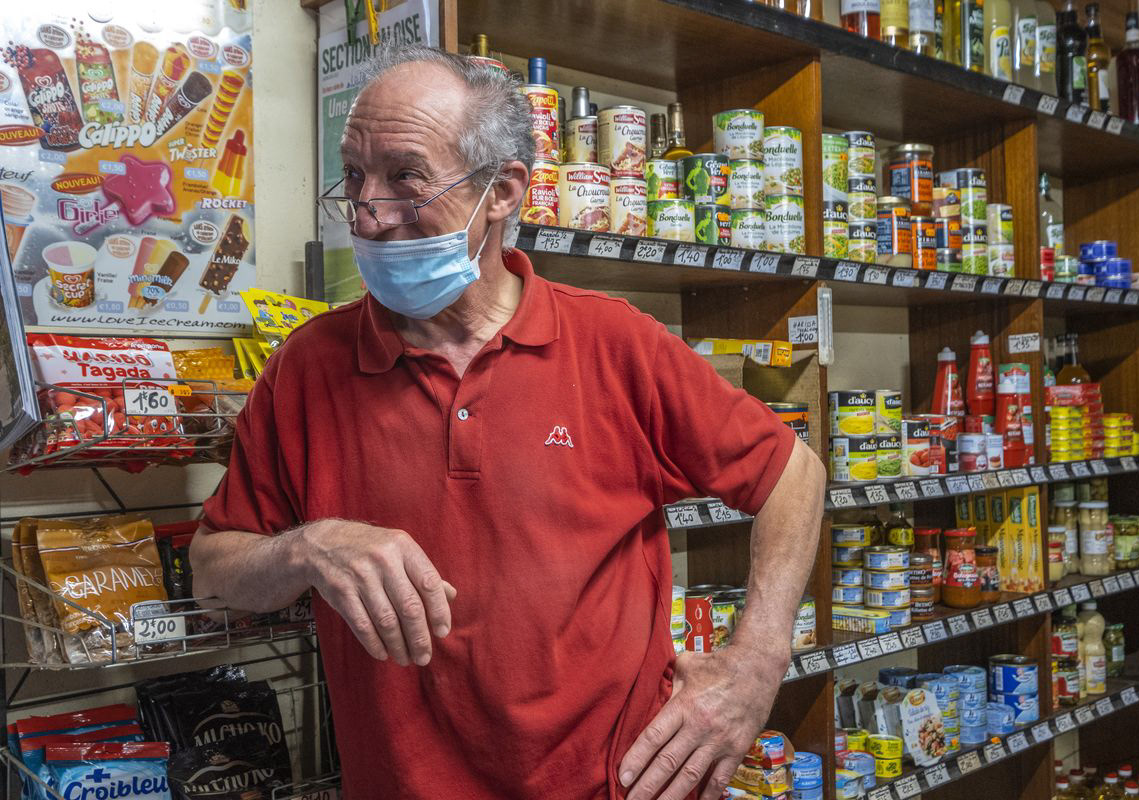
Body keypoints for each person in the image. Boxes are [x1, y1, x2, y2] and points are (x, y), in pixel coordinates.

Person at [191, 44, 824, 800]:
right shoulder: (306, 368)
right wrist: (308, 548)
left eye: (406, 177)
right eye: (354, 177)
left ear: (502, 191)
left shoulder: (613, 343)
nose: (369, 212)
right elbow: (212, 573)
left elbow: (794, 473)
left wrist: (753, 665)